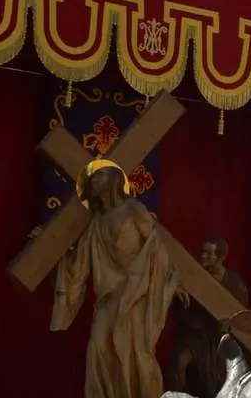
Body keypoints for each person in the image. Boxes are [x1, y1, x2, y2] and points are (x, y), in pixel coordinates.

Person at [42, 159, 183, 398]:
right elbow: (79, 267)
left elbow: (156, 248)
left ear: (115, 181)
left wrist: (169, 282)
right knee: (98, 347)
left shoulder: (134, 210)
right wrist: (53, 254)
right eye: (92, 179)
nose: (93, 181)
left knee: (136, 353)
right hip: (110, 296)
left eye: (99, 176)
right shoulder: (96, 224)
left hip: (138, 294)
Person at [166, 238, 249, 396]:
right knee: (179, 362)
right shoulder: (192, 276)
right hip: (192, 337)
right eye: (202, 251)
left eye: (208, 253)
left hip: (215, 340)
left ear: (220, 258)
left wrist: (230, 322)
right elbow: (176, 304)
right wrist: (176, 291)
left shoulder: (234, 283)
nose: (203, 256)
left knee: (214, 380)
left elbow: (241, 313)